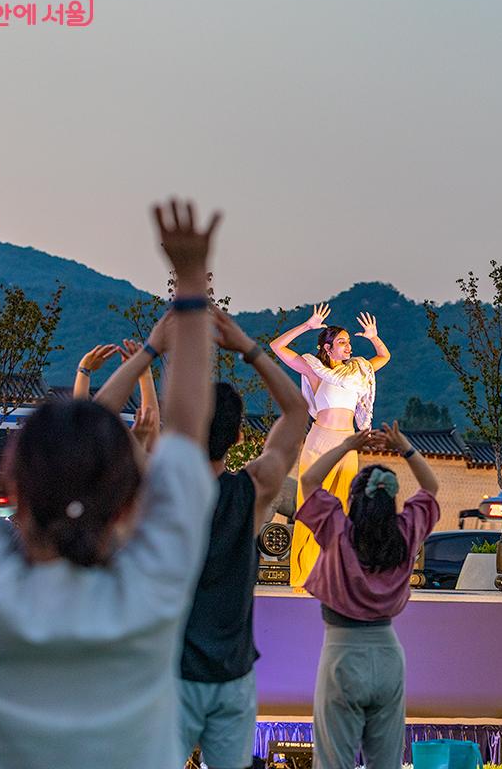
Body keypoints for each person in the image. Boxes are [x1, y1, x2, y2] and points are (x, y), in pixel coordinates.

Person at [0, 189, 220, 768]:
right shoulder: (151, 588)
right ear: (128, 499)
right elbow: (186, 431)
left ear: (16, 483)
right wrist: (189, 287)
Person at [98, 306, 308, 769]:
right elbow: (297, 413)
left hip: (169, 674)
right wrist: (249, 349)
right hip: (232, 676)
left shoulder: (156, 491)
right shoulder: (253, 491)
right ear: (237, 435)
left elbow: (95, 420)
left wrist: (152, 351)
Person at [296, 422, 439, 769]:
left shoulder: (337, 529)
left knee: (334, 762)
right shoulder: (405, 534)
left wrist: (347, 445)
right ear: (391, 501)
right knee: (385, 763)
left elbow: (309, 481)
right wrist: (404, 447)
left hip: (342, 653)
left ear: (353, 499)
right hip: (389, 655)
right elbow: (431, 488)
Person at [271, 303, 390, 587]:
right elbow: (276, 346)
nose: (348, 346)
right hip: (320, 442)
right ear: (327, 347)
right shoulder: (314, 369)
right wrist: (307, 326)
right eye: (342, 342)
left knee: (346, 509)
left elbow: (384, 356)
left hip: (347, 443)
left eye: (349, 342)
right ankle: (305, 574)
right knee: (313, 507)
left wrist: (373, 336)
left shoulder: (358, 370)